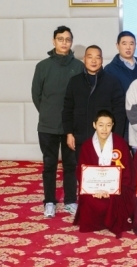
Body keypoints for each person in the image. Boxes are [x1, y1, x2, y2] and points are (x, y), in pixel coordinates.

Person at [31, 25, 84, 218]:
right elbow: (36, 95)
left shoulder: (78, 66)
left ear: (71, 42)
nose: (64, 43)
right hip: (48, 126)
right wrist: (48, 113)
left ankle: (70, 201)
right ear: (53, 41)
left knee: (71, 165)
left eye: (67, 39)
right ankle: (49, 202)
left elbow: (81, 96)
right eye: (60, 39)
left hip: (71, 127)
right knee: (49, 165)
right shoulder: (42, 66)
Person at [63, 45, 127, 165]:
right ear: (84, 59)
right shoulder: (74, 82)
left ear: (101, 60)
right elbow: (67, 109)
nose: (93, 61)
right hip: (80, 138)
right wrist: (69, 133)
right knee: (83, 171)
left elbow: (119, 112)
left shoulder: (112, 82)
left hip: (106, 138)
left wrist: (116, 137)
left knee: (106, 172)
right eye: (90, 57)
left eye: (97, 57)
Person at [73, 110, 133, 238]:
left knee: (116, 196)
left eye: (108, 125)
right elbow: (82, 172)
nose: (104, 129)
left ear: (113, 125)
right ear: (94, 125)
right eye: (101, 125)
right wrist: (93, 189)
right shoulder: (87, 145)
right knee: (89, 198)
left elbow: (127, 171)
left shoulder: (121, 144)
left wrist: (112, 189)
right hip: (93, 188)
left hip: (115, 188)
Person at [105, 31, 137, 97]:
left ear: (135, 45)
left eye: (131, 44)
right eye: (124, 44)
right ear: (117, 45)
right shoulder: (109, 69)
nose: (128, 47)